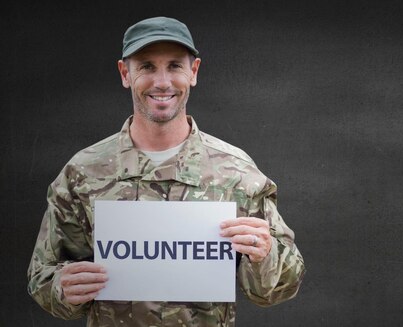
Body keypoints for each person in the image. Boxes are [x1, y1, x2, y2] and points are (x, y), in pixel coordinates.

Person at [27, 16, 305, 326]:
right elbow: (42, 276)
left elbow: (278, 290)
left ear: (194, 72)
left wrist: (265, 255)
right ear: (125, 73)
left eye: (174, 65)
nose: (162, 82)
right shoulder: (83, 172)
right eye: (146, 66)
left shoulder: (237, 173)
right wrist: (63, 288)